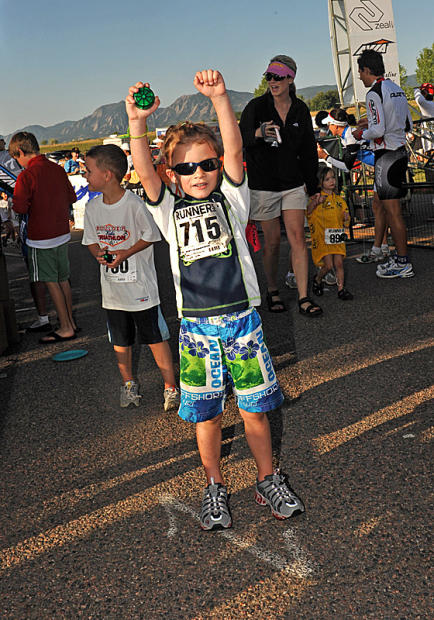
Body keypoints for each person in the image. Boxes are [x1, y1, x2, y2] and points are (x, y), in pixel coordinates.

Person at [125, 69, 305, 530]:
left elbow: (236, 148)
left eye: (206, 164)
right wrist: (137, 122)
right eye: (186, 169)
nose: (199, 174)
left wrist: (221, 98)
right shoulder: (167, 209)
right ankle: (214, 485)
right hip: (197, 331)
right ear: (173, 175)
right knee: (207, 418)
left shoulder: (232, 198)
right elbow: (143, 169)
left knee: (255, 411)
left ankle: (267, 478)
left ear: (218, 165)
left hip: (242, 323)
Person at [82, 144, 179, 411]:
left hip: (141, 290)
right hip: (112, 292)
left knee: (155, 338)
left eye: (88, 171)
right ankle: (128, 384)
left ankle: (170, 386)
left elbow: (151, 236)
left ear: (107, 175)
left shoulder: (134, 204)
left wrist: (125, 253)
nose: (85, 175)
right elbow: (90, 240)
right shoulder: (92, 208)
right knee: (120, 342)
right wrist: (99, 254)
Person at [239, 55, 322, 317]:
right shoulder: (256, 107)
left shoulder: (300, 109)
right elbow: (238, 139)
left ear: (290, 79)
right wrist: (258, 133)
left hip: (293, 184)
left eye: (278, 76)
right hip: (264, 185)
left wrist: (314, 187)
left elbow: (308, 151)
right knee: (273, 242)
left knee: (298, 238)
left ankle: (304, 297)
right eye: (269, 76)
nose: (272, 81)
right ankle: (273, 289)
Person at [9, 131, 78, 342]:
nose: (18, 163)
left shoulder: (26, 175)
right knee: (63, 279)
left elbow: (20, 207)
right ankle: (71, 321)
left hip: (40, 237)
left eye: (16, 158)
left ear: (20, 152)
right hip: (61, 233)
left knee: (49, 281)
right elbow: (72, 197)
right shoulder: (57, 169)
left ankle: (65, 327)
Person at [353, 50, 414, 279]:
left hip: (386, 156)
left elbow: (378, 130)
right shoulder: (396, 88)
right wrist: (371, 123)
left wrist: (361, 134)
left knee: (393, 212)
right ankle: (397, 257)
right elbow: (407, 124)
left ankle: (402, 261)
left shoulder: (373, 92)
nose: (359, 76)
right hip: (400, 152)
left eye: (360, 71)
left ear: (367, 70)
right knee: (389, 208)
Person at [317, 108, 391, 263]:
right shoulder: (347, 135)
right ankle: (382, 247)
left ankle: (380, 249)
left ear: (336, 126)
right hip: (382, 166)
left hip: (384, 166)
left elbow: (346, 167)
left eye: (329, 125)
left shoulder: (350, 136)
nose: (328, 128)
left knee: (385, 210)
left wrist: (325, 157)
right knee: (379, 209)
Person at [308, 168, 353, 300]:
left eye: (333, 177)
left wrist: (346, 218)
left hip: (337, 234)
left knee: (339, 264)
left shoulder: (340, 201)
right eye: (327, 179)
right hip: (323, 237)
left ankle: (341, 289)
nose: (332, 181)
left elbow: (346, 222)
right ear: (320, 182)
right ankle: (317, 279)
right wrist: (316, 202)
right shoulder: (316, 198)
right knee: (328, 265)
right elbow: (308, 212)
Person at [413, 83, 434, 154]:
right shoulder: (431, 104)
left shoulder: (427, 105)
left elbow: (419, 100)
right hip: (430, 136)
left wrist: (416, 90)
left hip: (430, 139)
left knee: (429, 153)